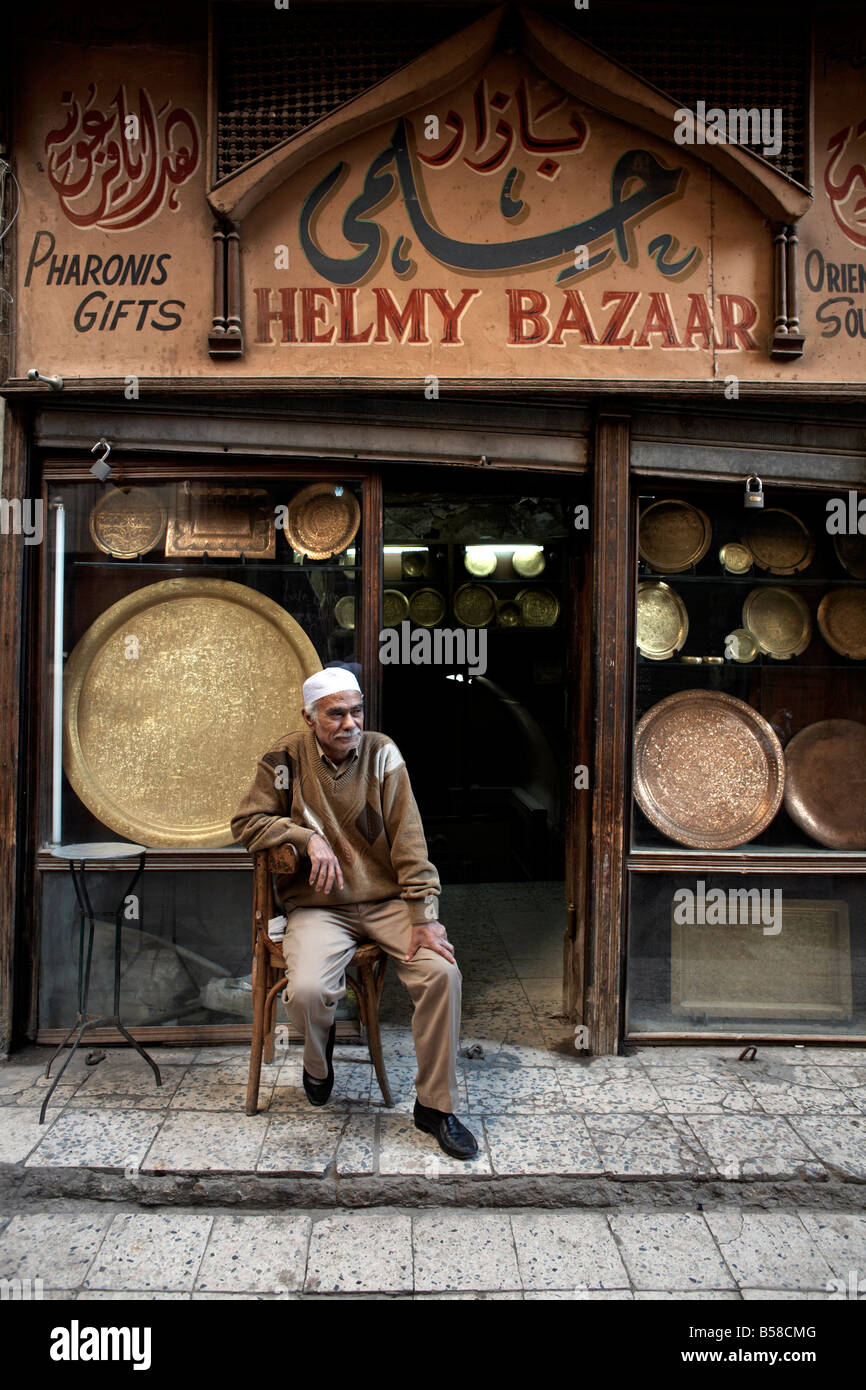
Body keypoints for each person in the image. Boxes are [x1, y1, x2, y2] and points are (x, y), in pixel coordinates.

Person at [230, 665, 478, 1160]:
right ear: (310, 717)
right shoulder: (284, 759)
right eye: (336, 713)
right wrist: (305, 837)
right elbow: (246, 823)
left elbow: (410, 838)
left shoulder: (383, 753)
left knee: (441, 975)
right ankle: (318, 1065)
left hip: (387, 904)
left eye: (356, 711)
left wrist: (424, 914)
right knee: (307, 991)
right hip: (319, 908)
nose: (349, 723)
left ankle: (435, 1107)